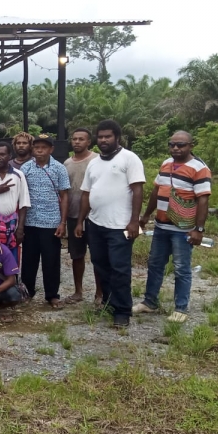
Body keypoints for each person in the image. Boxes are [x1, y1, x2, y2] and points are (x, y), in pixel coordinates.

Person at [134, 131, 212, 323]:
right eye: (172, 144)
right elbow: (156, 191)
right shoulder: (166, 163)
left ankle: (181, 308)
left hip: (183, 229)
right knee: (155, 264)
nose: (176, 148)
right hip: (161, 226)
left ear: (191, 146)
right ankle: (149, 302)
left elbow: (203, 200)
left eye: (181, 145)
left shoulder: (199, 168)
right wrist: (146, 215)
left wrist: (199, 230)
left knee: (181, 268)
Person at [75, 119, 145, 328]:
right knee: (101, 265)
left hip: (120, 226)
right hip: (96, 224)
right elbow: (86, 194)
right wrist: (80, 222)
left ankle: (122, 311)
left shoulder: (129, 158)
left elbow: (138, 190)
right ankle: (108, 302)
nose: (103, 140)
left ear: (117, 137)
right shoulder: (94, 163)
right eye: (100, 137)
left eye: (108, 136)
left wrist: (134, 221)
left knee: (119, 268)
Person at [20, 134, 70, 308]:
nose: (39, 150)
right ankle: (27, 292)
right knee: (28, 260)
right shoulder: (26, 168)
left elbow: (64, 196)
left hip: (51, 222)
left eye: (44, 147)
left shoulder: (59, 168)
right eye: (36, 147)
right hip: (30, 222)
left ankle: (52, 295)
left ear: (51, 149)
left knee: (51, 260)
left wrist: (63, 222)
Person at [62, 128, 102, 305]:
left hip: (94, 217)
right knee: (76, 256)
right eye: (74, 139)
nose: (77, 142)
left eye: (81, 139)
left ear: (89, 142)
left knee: (97, 256)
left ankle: (99, 293)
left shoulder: (97, 160)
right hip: (73, 215)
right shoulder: (67, 163)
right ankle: (78, 291)